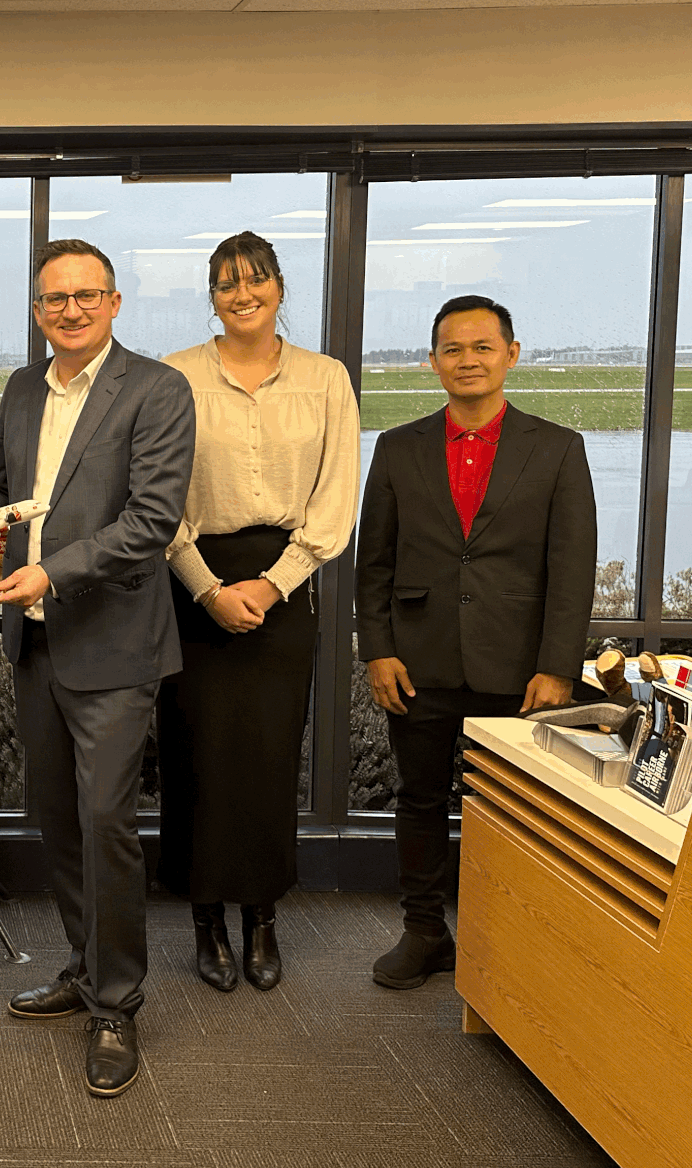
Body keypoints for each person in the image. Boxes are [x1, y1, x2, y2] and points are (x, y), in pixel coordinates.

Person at [0, 240, 195, 1099]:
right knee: (58, 820)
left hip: (114, 645)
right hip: (36, 644)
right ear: (38, 309)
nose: (70, 310)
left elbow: (151, 521)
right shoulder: (21, 388)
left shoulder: (157, 389)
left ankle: (117, 1005)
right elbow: (2, 496)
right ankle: (84, 968)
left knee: (105, 822)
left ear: (114, 303)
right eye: (54, 299)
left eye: (87, 296)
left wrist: (50, 572)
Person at [356, 294, 596, 990]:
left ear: (511, 355)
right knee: (419, 800)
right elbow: (374, 562)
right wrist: (377, 649)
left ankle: (512, 941)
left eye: (482, 347)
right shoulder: (397, 448)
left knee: (519, 811)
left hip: (520, 669)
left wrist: (557, 667)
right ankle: (424, 932)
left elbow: (572, 570)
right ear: (432, 362)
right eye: (452, 349)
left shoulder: (557, 449)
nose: (468, 360)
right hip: (418, 660)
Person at [158, 233, 359, 993]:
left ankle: (262, 916)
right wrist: (207, 589)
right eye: (226, 283)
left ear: (279, 286)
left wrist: (273, 585)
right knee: (197, 758)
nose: (242, 294)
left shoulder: (326, 378)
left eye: (255, 279)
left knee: (270, 761)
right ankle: (205, 918)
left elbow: (335, 500)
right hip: (192, 587)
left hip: (285, 588)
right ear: (211, 297)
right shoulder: (175, 376)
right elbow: (155, 498)